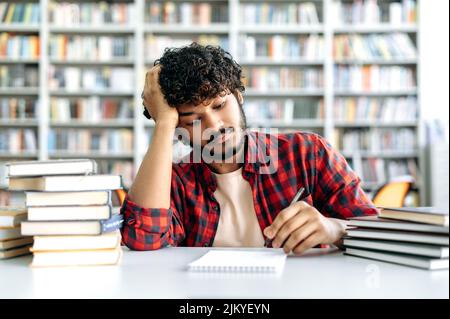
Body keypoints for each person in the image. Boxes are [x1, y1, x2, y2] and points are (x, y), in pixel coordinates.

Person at [121, 43, 377, 255]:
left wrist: (335, 229)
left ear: (238, 95)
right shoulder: (173, 180)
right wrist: (164, 122)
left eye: (220, 105)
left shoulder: (307, 153)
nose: (214, 125)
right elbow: (144, 240)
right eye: (192, 119)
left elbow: (378, 234)